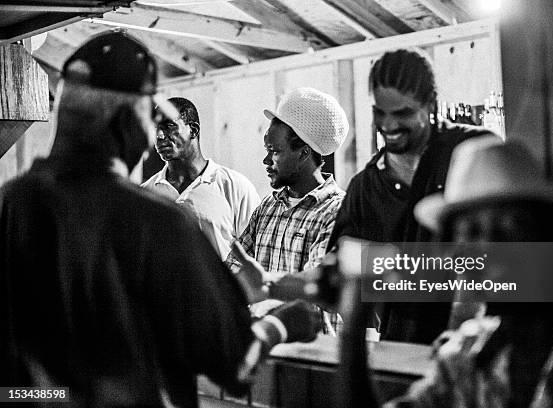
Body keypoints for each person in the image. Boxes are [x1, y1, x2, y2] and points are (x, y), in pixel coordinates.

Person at [0, 32, 318, 408]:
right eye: (152, 122)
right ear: (128, 125)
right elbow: (236, 366)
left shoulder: (14, 202)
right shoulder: (156, 220)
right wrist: (285, 322)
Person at [335, 137, 553, 408]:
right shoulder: (465, 357)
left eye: (509, 229)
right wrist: (352, 332)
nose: (488, 248)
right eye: (470, 233)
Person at [326, 49, 497, 343]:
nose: (388, 125)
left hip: (477, 356)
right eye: (380, 112)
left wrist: (378, 266)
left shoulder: (474, 152)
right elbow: (341, 278)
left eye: (403, 113)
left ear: (430, 103)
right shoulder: (364, 187)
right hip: (402, 356)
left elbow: (508, 262)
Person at [225, 87, 348, 331]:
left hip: (311, 359)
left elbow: (315, 294)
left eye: (275, 151)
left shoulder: (335, 212)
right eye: (266, 149)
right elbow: (233, 272)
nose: (266, 161)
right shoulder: (268, 208)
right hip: (266, 348)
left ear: (303, 153)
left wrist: (264, 290)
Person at [141, 97, 259, 259]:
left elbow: (257, 255)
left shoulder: (235, 187)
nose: (160, 136)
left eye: (169, 126)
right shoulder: (146, 193)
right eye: (155, 128)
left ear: (193, 130)